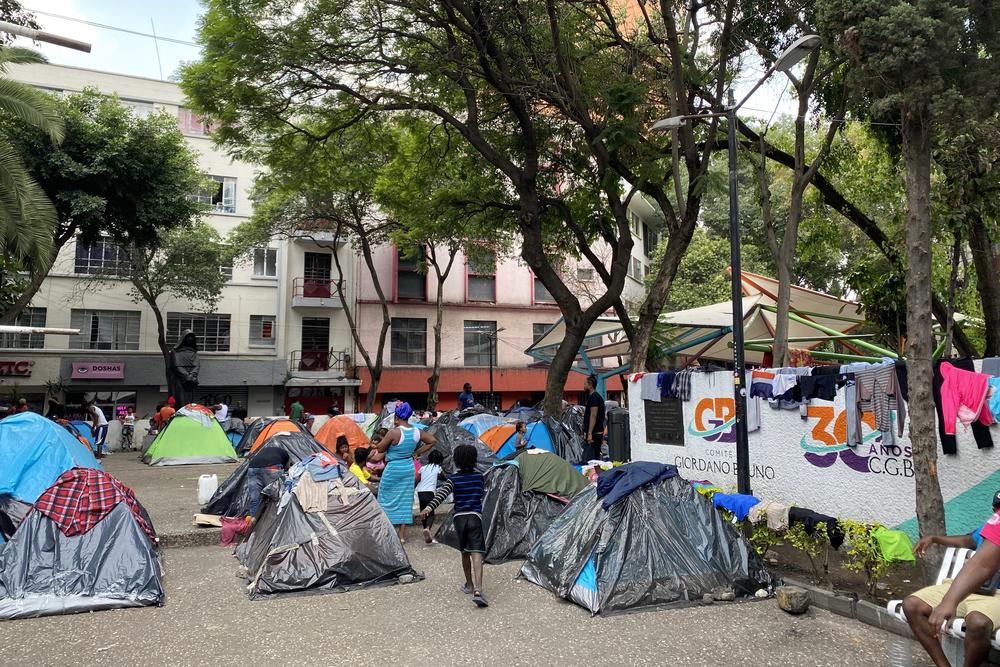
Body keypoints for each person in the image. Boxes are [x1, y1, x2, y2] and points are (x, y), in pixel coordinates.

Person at [904, 490, 1000, 667]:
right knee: (912, 605)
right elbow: (966, 541)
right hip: (969, 587)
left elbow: (983, 565)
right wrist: (934, 538)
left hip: (996, 594)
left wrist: (950, 600)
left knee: (978, 622)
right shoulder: (990, 527)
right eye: (997, 507)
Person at [419, 444, 488, 607]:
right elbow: (481, 494)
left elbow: (441, 494)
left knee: (465, 552)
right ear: (474, 460)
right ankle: (478, 589)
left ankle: (469, 585)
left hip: (459, 518)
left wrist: (428, 508)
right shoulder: (479, 477)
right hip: (475, 516)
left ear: (456, 461)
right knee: (477, 552)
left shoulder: (453, 479)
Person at [374, 402, 436, 543]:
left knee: (385, 499)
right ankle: (401, 536)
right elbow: (432, 440)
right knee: (404, 500)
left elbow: (381, 448)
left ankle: (386, 532)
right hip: (408, 468)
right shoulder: (416, 431)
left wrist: (377, 444)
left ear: (396, 416)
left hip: (393, 469)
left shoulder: (393, 432)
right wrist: (416, 452)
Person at [246, 445, 292, 521]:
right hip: (272, 468)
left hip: (253, 468)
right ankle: (274, 516)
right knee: (275, 492)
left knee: (255, 495)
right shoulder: (286, 455)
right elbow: (286, 468)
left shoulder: (264, 450)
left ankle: (252, 517)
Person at [416, 450, 445, 544]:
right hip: (430, 492)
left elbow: (417, 480)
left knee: (423, 511)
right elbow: (444, 477)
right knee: (431, 512)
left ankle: (425, 530)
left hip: (420, 491)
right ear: (440, 460)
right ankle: (428, 529)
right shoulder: (438, 468)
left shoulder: (423, 468)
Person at [581, 374, 605, 462]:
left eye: (585, 384)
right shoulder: (594, 397)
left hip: (595, 433)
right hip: (594, 432)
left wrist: (590, 433)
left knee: (592, 458)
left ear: (590, 385)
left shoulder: (594, 397)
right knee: (593, 457)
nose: (583, 386)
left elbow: (593, 415)